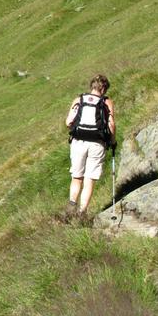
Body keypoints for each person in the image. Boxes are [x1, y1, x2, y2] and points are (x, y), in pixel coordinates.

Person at [65, 74, 115, 214]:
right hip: (97, 144)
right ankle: (82, 213)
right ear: (104, 88)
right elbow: (111, 125)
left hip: (78, 142)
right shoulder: (106, 102)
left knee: (77, 177)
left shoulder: (79, 100)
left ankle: (71, 206)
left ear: (91, 86)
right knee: (89, 179)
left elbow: (68, 122)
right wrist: (112, 141)